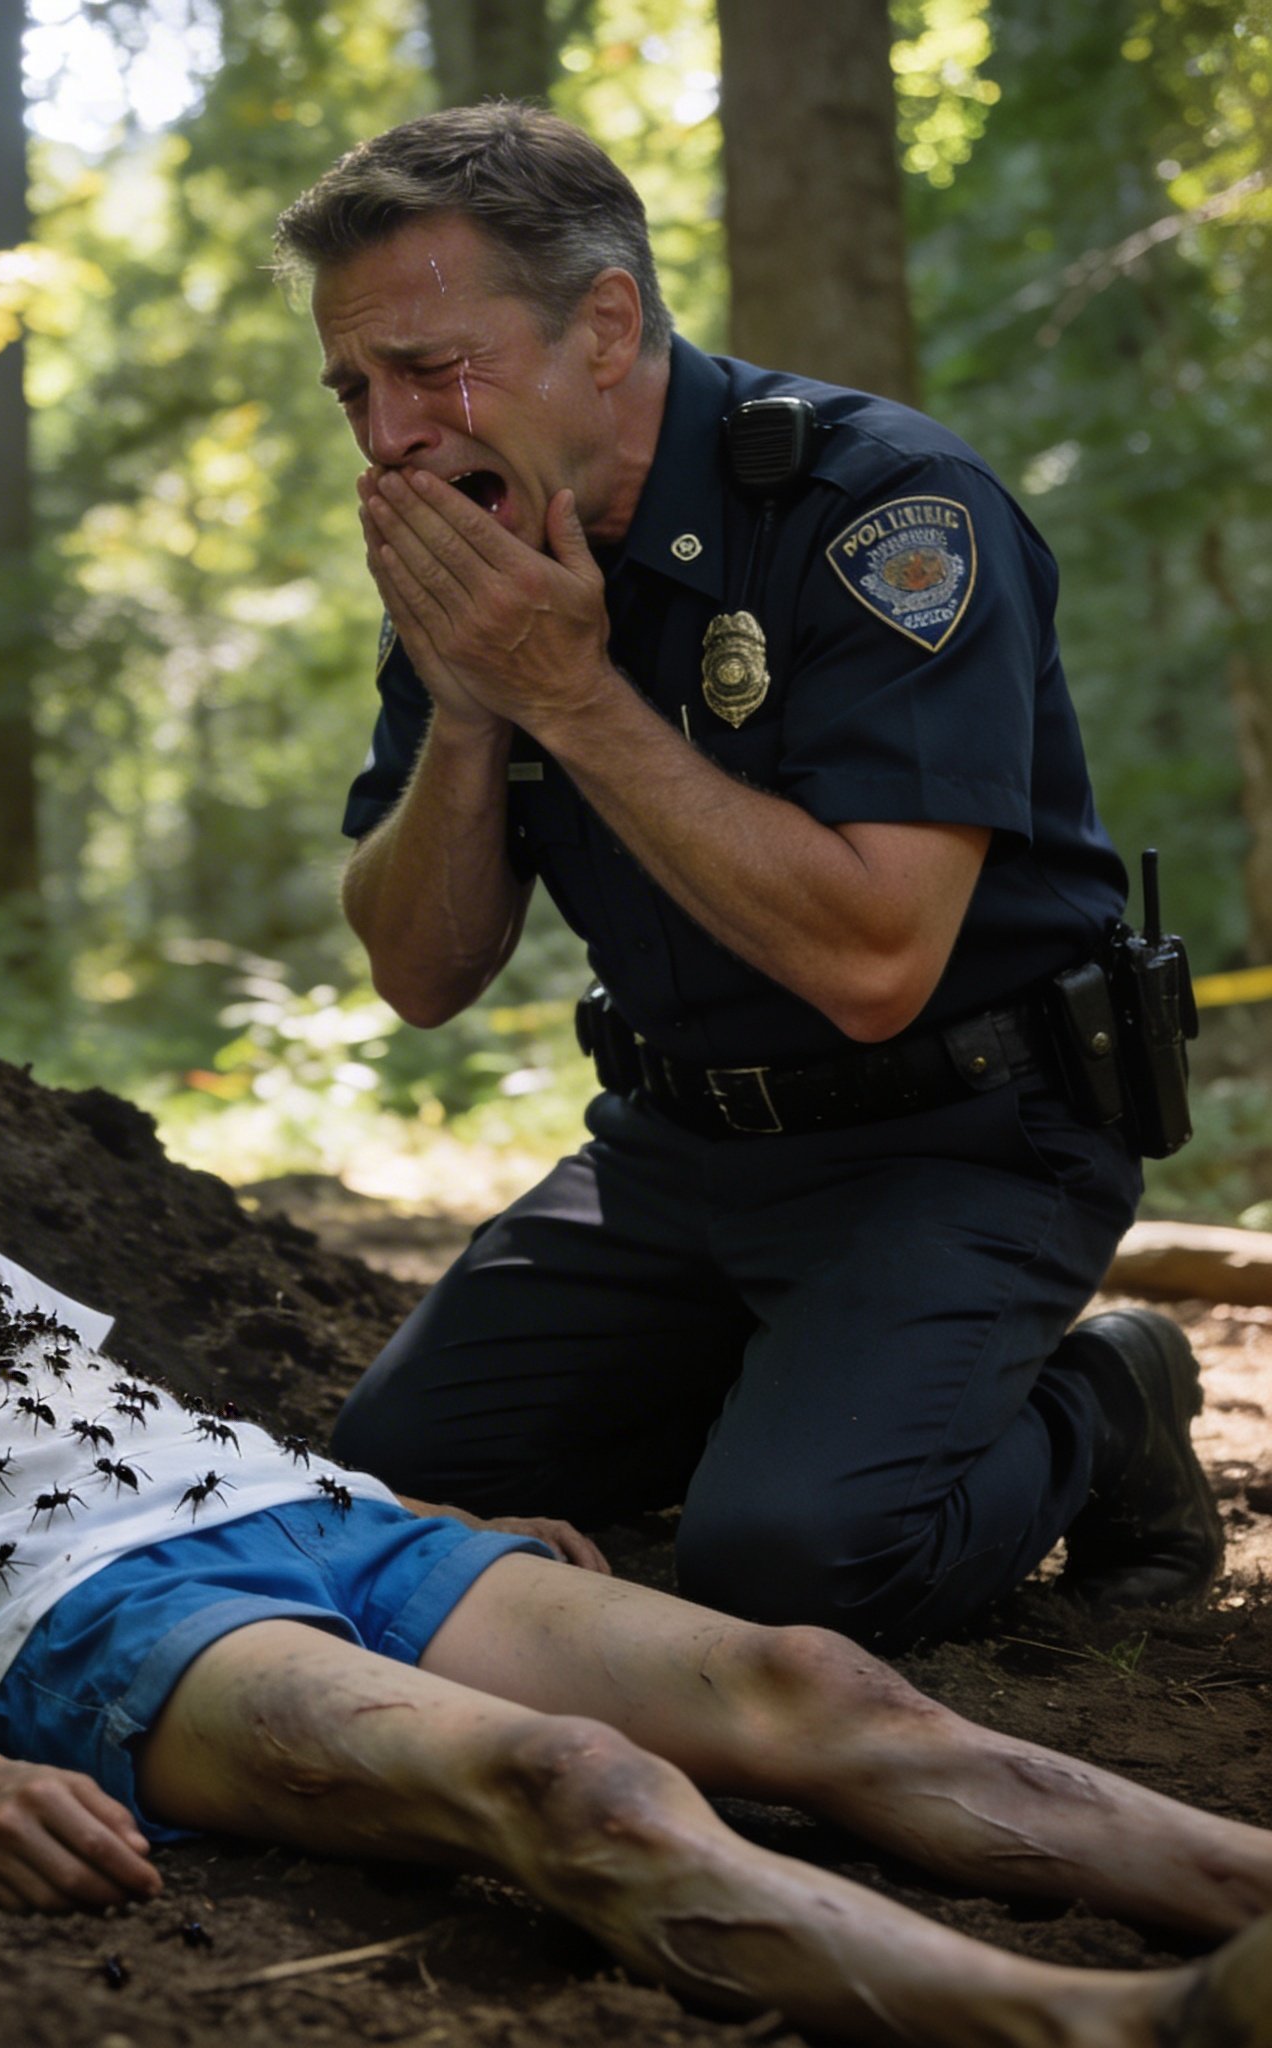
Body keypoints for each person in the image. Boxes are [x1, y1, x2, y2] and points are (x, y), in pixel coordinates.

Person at [0, 954, 1272, 2048]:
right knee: (571, 1790)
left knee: (823, 1686)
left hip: (332, 1534)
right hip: (108, 1635)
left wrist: (429, 1529)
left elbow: (142, 1422)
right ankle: (1107, 2029)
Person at [276, 103, 1221, 1645]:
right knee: (381, 1489)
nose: (389, 434)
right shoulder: (482, 553)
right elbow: (423, 976)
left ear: (606, 323)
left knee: (797, 1568)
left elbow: (872, 963)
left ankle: (1107, 1399)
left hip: (961, 1134)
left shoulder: (881, 508)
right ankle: (799, 1388)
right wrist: (468, 701)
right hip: (675, 1147)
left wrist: (575, 698)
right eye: (355, 389)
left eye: (433, 368)